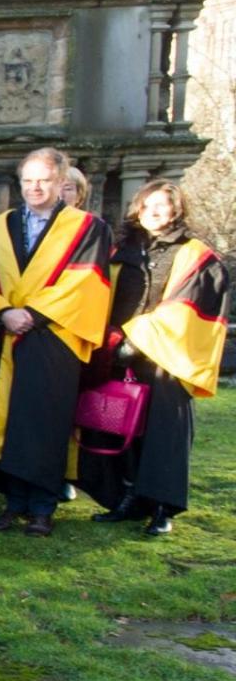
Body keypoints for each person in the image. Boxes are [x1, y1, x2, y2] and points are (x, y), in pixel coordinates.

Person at [0, 147, 112, 538]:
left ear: (61, 182)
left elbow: (85, 282)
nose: (35, 187)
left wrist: (31, 314)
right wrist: (4, 312)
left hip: (53, 336)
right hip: (5, 333)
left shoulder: (87, 228)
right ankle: (12, 501)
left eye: (44, 180)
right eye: (28, 180)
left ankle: (42, 505)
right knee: (4, 418)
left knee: (43, 422)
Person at [82, 179, 228, 535]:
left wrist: (136, 340)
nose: (154, 213)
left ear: (177, 210)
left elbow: (186, 309)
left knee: (164, 434)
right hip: (119, 353)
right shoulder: (122, 250)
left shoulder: (195, 255)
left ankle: (163, 507)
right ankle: (129, 497)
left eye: (162, 206)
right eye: (147, 206)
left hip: (168, 360)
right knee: (119, 425)